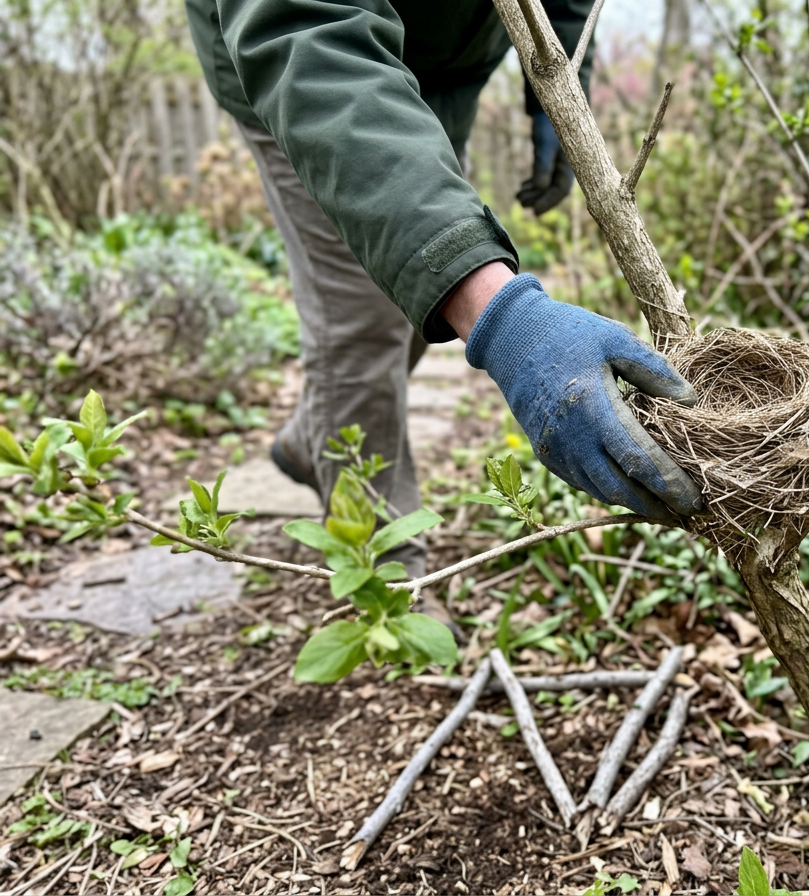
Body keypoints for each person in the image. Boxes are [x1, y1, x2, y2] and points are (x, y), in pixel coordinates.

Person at [183, 0, 704, 615]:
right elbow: (307, 32)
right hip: (310, 66)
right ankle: (385, 582)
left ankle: (311, 439)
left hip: (439, 68)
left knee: (409, 286)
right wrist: (502, 316)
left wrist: (561, 74)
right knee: (363, 317)